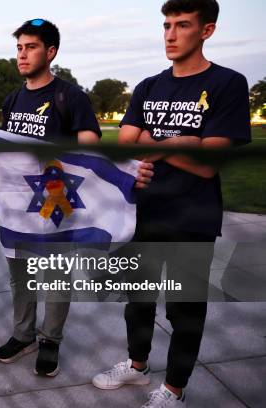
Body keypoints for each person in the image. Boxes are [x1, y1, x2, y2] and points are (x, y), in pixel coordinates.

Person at [0, 18, 152, 377]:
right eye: (19, 47)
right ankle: (23, 335)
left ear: (50, 51)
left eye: (31, 47)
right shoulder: (14, 98)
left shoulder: (71, 97)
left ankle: (50, 339)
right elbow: (7, 154)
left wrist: (126, 170)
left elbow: (91, 152)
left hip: (58, 200)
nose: (22, 54)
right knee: (20, 271)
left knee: (54, 274)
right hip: (19, 204)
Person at [91, 1, 251, 406]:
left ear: (206, 30)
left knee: (185, 311)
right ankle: (137, 364)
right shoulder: (149, 85)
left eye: (182, 25)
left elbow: (208, 164)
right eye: (166, 25)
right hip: (142, 212)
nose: (171, 34)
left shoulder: (227, 83)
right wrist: (182, 142)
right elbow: (126, 142)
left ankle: (174, 390)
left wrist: (156, 147)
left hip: (191, 219)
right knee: (137, 300)